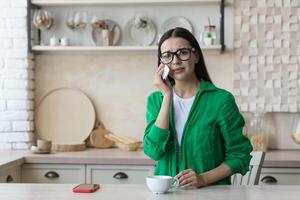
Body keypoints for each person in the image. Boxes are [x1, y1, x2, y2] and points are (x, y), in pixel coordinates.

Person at [143, 27, 253, 188]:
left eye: (183, 52)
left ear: (196, 55)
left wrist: (203, 179)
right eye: (167, 55)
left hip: (210, 194)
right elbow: (153, 152)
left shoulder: (221, 100)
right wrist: (167, 96)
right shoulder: (156, 100)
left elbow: (240, 155)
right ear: (161, 62)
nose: (175, 61)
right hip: (168, 194)